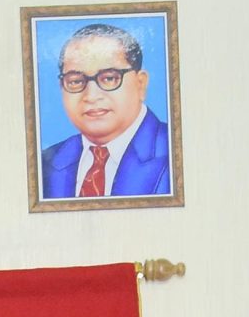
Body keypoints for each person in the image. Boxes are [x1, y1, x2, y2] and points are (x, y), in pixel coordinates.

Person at [38, 22, 174, 200]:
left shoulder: (177, 151)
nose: (91, 96)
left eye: (109, 78)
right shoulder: (43, 164)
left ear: (140, 84)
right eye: (76, 81)